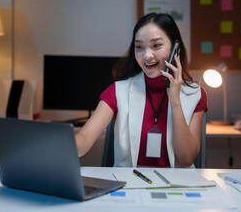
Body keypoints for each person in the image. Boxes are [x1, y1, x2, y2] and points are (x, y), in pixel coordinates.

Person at [75, 13, 208, 168]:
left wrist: (175, 101)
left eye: (156, 45)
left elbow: (186, 159)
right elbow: (84, 139)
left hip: (175, 187)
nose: (146, 55)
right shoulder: (117, 92)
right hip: (129, 186)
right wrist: (58, 143)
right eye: (139, 47)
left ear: (175, 49)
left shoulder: (196, 94)